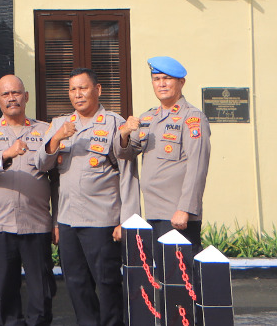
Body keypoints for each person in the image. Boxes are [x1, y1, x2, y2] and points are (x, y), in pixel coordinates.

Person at [51, 69, 138, 326]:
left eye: (83, 88)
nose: (78, 94)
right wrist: (57, 137)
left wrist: (127, 220)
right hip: (68, 219)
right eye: (72, 90)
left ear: (98, 90)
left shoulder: (114, 123)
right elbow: (42, 165)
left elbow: (128, 173)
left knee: (108, 282)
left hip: (103, 220)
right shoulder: (60, 124)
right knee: (76, 284)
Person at [0, 76, 54, 326]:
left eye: (16, 93)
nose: (12, 98)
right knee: (4, 288)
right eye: (5, 95)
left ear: (26, 96)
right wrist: (6, 154)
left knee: (42, 289)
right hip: (0, 224)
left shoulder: (45, 130)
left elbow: (59, 180)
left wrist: (58, 221)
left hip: (37, 223)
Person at [117, 56, 211, 254]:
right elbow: (127, 153)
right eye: (156, 79)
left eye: (167, 78)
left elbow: (197, 167)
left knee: (182, 275)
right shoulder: (148, 118)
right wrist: (124, 132)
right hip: (153, 212)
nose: (161, 84)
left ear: (181, 82)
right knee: (163, 274)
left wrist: (184, 209)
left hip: (177, 215)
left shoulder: (192, 118)